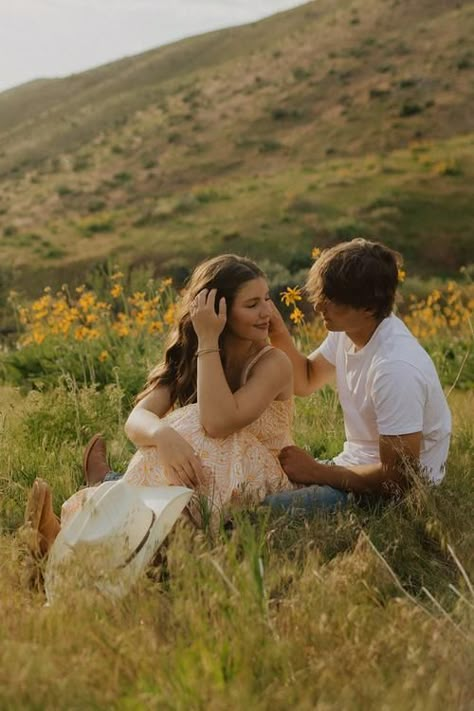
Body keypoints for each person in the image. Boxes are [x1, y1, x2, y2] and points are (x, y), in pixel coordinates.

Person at [24, 254, 296, 564]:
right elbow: (137, 419)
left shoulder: (273, 363)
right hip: (205, 479)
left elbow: (219, 423)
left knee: (196, 422)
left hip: (261, 480)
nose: (268, 312)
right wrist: (163, 435)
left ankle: (90, 517)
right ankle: (70, 542)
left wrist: (208, 338)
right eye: (252, 304)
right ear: (216, 310)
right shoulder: (189, 359)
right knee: (174, 434)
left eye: (267, 298)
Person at [263, 238, 452, 512]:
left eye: (331, 300)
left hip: (384, 492)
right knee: (257, 477)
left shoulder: (395, 368)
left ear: (368, 307)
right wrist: (278, 332)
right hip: (349, 467)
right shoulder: (349, 332)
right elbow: (304, 380)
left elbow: (397, 482)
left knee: (262, 512)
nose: (318, 307)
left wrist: (315, 471)